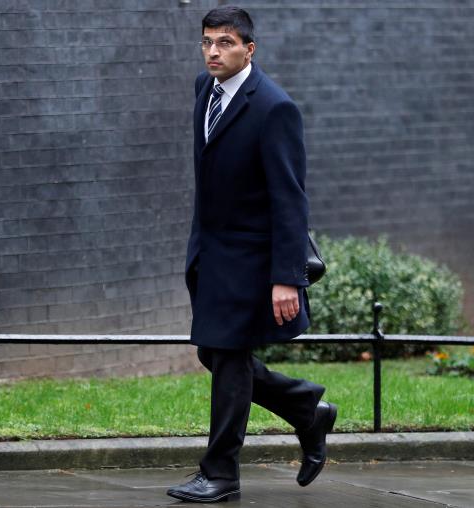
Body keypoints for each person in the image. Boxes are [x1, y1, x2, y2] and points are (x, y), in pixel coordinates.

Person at [166, 6, 337, 503]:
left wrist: (286, 277)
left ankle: (220, 473)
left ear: (249, 49)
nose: (213, 52)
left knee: (229, 359)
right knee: (215, 354)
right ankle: (306, 408)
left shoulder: (274, 107)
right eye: (207, 42)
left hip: (252, 260)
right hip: (212, 254)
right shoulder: (205, 89)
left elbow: (290, 198)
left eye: (224, 43)